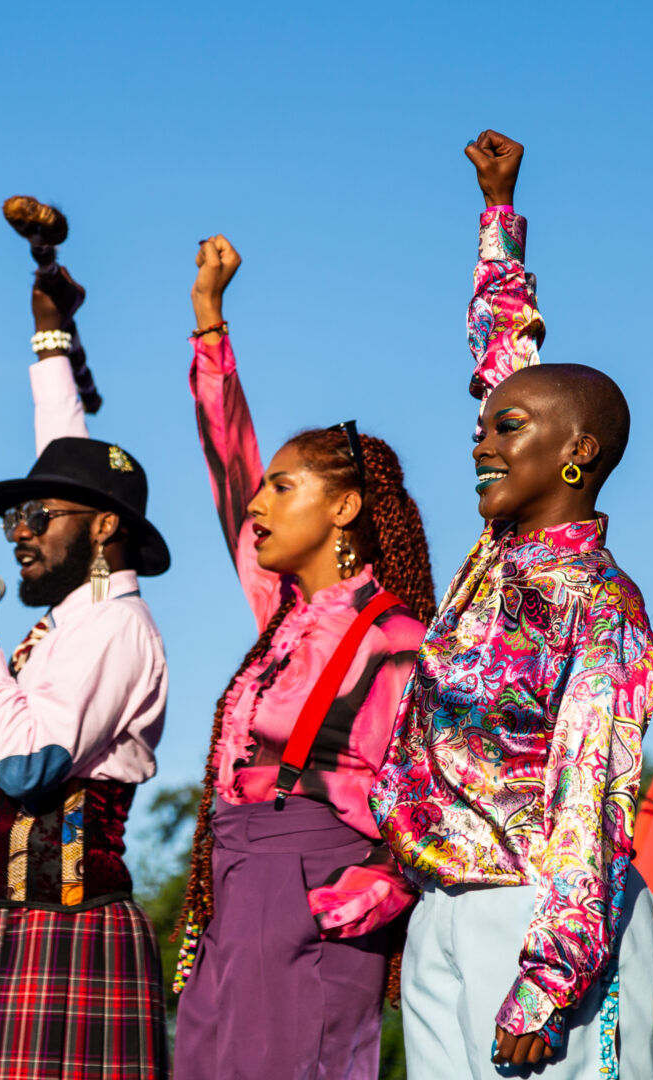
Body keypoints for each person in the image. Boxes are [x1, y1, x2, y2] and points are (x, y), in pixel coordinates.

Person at [371, 130, 653, 1080]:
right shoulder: (497, 560)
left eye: (507, 430)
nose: (480, 443)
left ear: (575, 452)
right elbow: (503, 357)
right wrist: (499, 216)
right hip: (443, 911)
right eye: (481, 427)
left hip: (539, 927)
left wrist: (547, 980)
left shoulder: (600, 605)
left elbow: (596, 799)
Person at [169, 233, 437, 1080]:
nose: (258, 503)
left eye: (284, 487)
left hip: (313, 883)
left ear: (347, 507)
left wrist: (367, 893)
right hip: (232, 884)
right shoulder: (283, 617)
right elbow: (226, 466)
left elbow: (434, 796)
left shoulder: (398, 639)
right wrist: (209, 324)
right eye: (265, 488)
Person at [0, 239, 172, 1080]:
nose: (19, 530)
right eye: (14, 517)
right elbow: (64, 451)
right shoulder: (78, 615)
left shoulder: (114, 629)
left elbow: (31, 767)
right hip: (15, 925)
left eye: (38, 516)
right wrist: (50, 340)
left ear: (105, 528)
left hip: (67, 929)